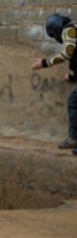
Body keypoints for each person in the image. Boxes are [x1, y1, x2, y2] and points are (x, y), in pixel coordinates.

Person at [32, 13, 77, 151]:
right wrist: (72, 77)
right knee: (74, 101)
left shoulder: (70, 29)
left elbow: (67, 53)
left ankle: (74, 139)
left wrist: (44, 63)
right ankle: (74, 139)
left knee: (74, 102)